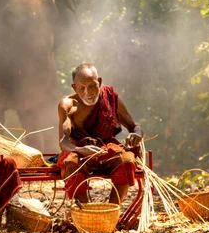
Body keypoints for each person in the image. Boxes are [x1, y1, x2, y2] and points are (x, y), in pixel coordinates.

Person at [57, 63, 144, 204]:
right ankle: (87, 213)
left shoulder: (110, 98)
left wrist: (137, 134)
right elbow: (63, 142)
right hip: (79, 149)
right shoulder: (68, 105)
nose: (88, 93)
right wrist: (81, 150)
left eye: (92, 86)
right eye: (81, 88)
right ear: (74, 88)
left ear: (100, 82)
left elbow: (135, 127)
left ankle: (112, 210)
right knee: (71, 165)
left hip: (107, 147)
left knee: (126, 161)